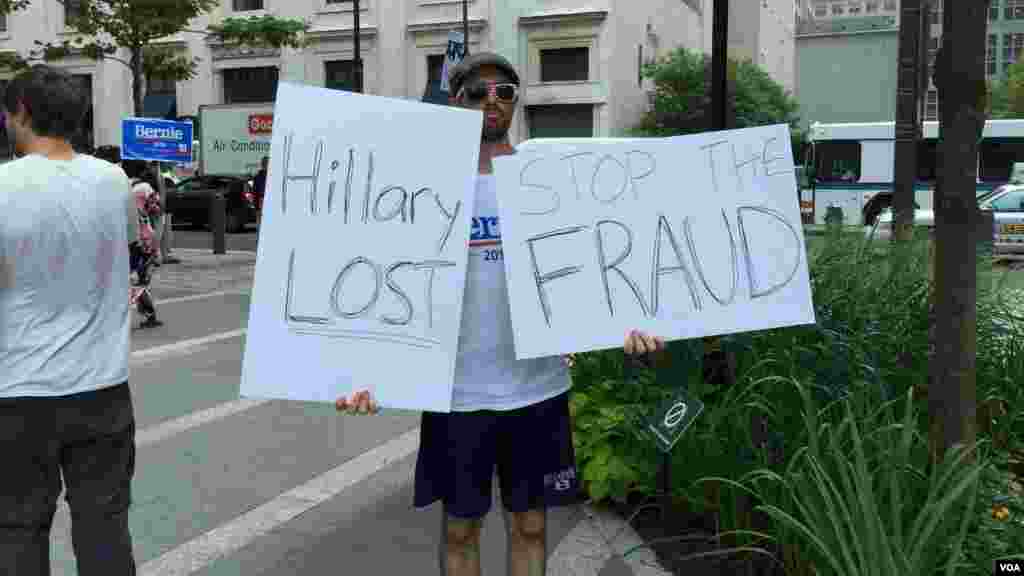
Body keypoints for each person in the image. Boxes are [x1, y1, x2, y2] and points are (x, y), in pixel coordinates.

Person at [335, 52, 666, 576]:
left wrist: (637, 320)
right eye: (478, 92)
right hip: (457, 395)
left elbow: (601, 262)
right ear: (457, 102)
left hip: (538, 389)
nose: (493, 101)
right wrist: (366, 372)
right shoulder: (423, 185)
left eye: (505, 91)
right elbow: (382, 278)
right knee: (461, 529)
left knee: (531, 525)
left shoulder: (550, 181)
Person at [0, 65, 138, 575]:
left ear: (21, 113)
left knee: (16, 527)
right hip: (102, 388)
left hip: (17, 389)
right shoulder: (113, 180)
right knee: (104, 524)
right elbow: (124, 249)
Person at [253, 155, 268, 227]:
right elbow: (255, 192)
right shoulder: (258, 176)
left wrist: (256, 206)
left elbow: (255, 191)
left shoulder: (257, 176)